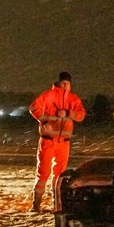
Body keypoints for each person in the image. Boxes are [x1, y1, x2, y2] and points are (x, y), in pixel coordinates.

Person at [29, 71, 86, 213]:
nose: (65, 85)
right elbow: (34, 108)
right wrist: (45, 122)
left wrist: (68, 113)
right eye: (63, 83)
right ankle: (36, 204)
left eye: (68, 83)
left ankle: (57, 203)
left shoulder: (73, 99)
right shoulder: (49, 95)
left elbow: (81, 115)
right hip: (48, 141)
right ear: (59, 83)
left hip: (64, 143)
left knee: (60, 174)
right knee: (43, 172)